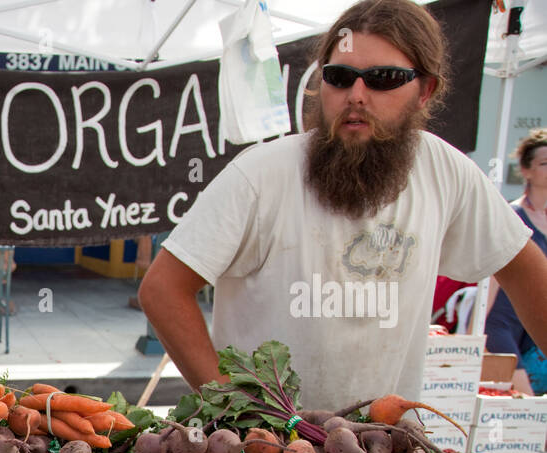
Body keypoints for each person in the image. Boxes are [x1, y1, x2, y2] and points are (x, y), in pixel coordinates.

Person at [139, 0, 547, 410]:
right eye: (339, 77)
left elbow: (524, 268)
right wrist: (238, 411)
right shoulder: (261, 174)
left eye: (383, 79)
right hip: (266, 445)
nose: (356, 95)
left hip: (388, 441)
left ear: (425, 90)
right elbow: (162, 290)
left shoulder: (446, 172)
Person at [484, 129, 547, 395]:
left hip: (536, 331)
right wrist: (477, 332)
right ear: (526, 170)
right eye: (544, 163)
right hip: (503, 326)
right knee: (526, 406)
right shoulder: (512, 215)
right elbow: (490, 280)